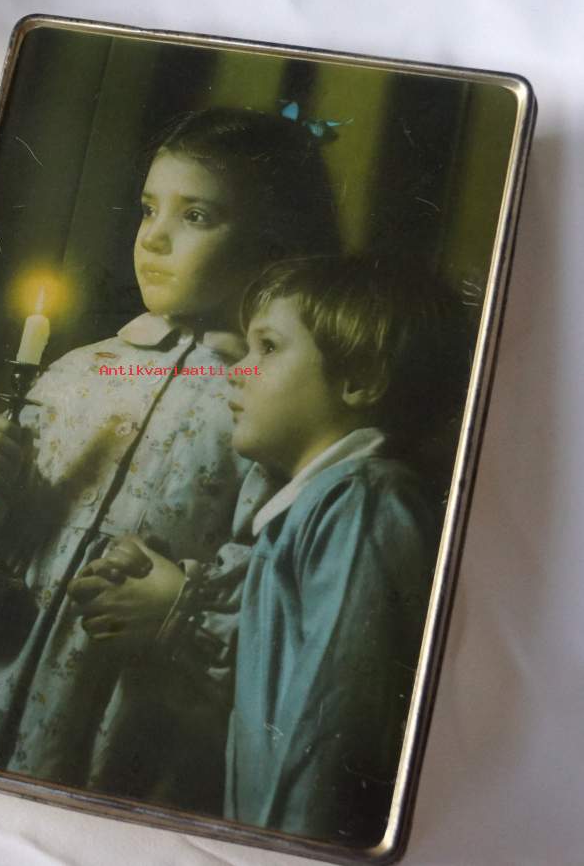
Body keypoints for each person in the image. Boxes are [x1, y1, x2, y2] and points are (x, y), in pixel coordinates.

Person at [0, 107, 340, 814]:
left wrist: (184, 608)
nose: (154, 237)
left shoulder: (270, 403)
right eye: (148, 209)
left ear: (273, 240)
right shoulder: (77, 374)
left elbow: (294, 606)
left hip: (131, 741)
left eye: (196, 216)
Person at [218, 255, 469, 845]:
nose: (237, 371)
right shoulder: (313, 509)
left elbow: (334, 728)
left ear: (358, 379)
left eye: (268, 348)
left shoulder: (362, 503)